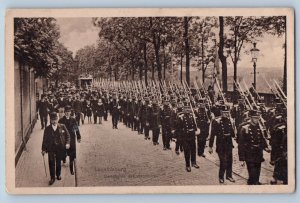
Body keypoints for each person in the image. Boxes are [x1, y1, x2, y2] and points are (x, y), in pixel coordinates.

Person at [238, 109, 271, 185]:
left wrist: (265, 147)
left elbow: (261, 139)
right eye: (255, 118)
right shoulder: (245, 128)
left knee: (257, 169)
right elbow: (241, 144)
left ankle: (254, 182)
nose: (257, 119)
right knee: (252, 172)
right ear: (250, 118)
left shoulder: (258, 127)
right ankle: (253, 183)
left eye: (258, 118)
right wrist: (242, 158)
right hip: (249, 154)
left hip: (258, 153)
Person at [41, 112, 71, 185]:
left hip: (60, 148)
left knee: (58, 162)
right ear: (50, 120)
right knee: (51, 162)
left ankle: (58, 174)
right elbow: (44, 140)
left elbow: (68, 136)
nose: (54, 121)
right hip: (51, 148)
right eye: (53, 120)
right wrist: (43, 149)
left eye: (56, 119)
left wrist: (67, 143)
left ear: (58, 119)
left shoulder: (62, 126)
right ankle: (52, 178)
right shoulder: (47, 129)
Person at [209, 105, 235, 183]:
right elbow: (212, 134)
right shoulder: (216, 121)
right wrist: (210, 146)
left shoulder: (230, 120)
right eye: (225, 113)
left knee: (230, 161)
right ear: (221, 113)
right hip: (221, 145)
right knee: (223, 161)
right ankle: (221, 176)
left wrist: (234, 130)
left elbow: (233, 134)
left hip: (229, 144)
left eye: (227, 112)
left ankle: (229, 176)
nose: (226, 114)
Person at [58, 106, 81, 175]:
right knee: (64, 151)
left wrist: (78, 137)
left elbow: (76, 128)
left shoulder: (73, 120)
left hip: (72, 138)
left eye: (68, 112)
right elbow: (58, 130)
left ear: (70, 112)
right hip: (64, 139)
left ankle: (71, 169)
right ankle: (64, 159)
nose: (67, 113)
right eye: (66, 112)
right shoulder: (61, 120)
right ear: (64, 113)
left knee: (72, 154)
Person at [177, 105, 200, 172]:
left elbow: (194, 125)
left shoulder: (191, 116)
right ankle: (187, 165)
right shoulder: (181, 117)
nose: (187, 109)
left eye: (188, 108)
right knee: (187, 151)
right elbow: (179, 128)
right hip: (185, 136)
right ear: (183, 109)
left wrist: (196, 130)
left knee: (193, 150)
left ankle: (193, 162)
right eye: (186, 108)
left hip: (192, 135)